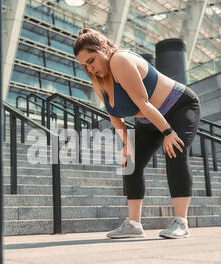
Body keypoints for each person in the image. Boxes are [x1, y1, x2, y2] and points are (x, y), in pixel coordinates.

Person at [73, 28, 201, 240]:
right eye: (84, 65)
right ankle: (133, 224)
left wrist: (168, 132)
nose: (90, 68)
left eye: (92, 60)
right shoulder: (98, 80)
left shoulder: (120, 60)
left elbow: (143, 102)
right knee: (130, 161)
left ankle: (182, 222)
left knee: (175, 152)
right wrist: (127, 144)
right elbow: (114, 115)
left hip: (179, 106)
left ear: (104, 48)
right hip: (148, 119)